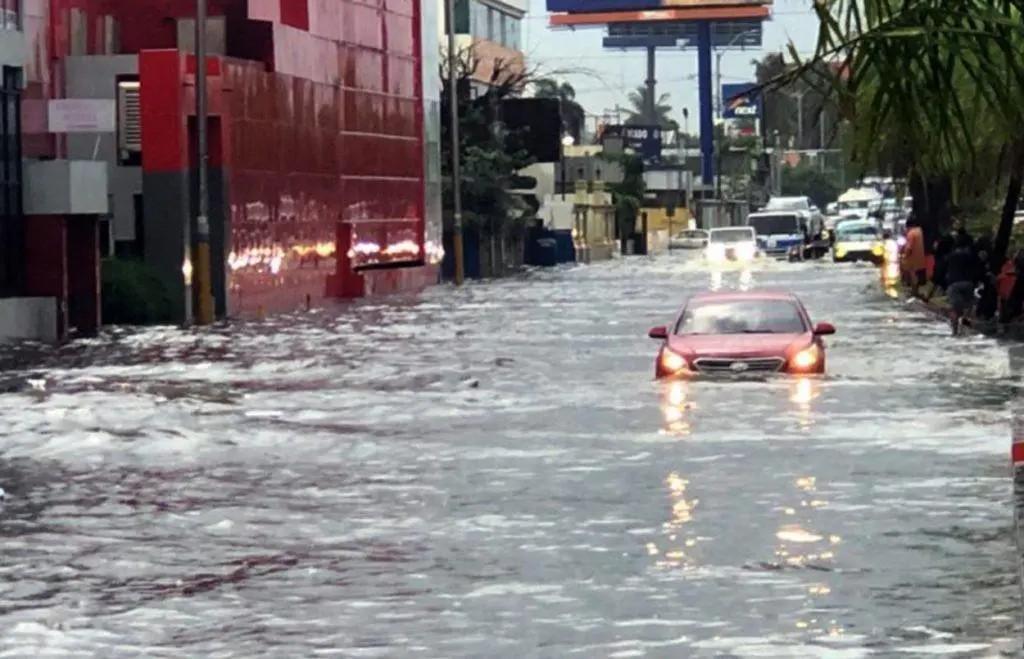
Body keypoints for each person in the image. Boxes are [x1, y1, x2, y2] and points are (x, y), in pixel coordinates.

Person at [945, 232, 981, 335]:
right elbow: (976, 269)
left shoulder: (951, 256)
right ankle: (967, 325)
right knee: (969, 305)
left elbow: (946, 270)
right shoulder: (970, 256)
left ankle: (955, 331)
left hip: (954, 284)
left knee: (954, 309)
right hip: (968, 283)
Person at [900, 216, 928, 296]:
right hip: (921, 258)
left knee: (913, 276)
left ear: (908, 226)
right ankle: (916, 291)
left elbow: (909, 247)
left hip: (912, 259)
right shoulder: (920, 231)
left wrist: (905, 255)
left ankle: (914, 292)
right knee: (917, 276)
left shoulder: (911, 233)